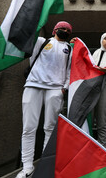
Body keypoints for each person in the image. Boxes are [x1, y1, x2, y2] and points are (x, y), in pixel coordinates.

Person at [16, 21, 73, 178]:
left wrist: (65, 87)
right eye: (62, 28)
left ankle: (45, 165)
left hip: (56, 89)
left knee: (50, 128)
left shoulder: (69, 48)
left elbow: (70, 70)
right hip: (33, 85)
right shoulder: (42, 41)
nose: (64, 30)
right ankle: (27, 167)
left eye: (68, 30)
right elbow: (28, 35)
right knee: (29, 127)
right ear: (55, 29)